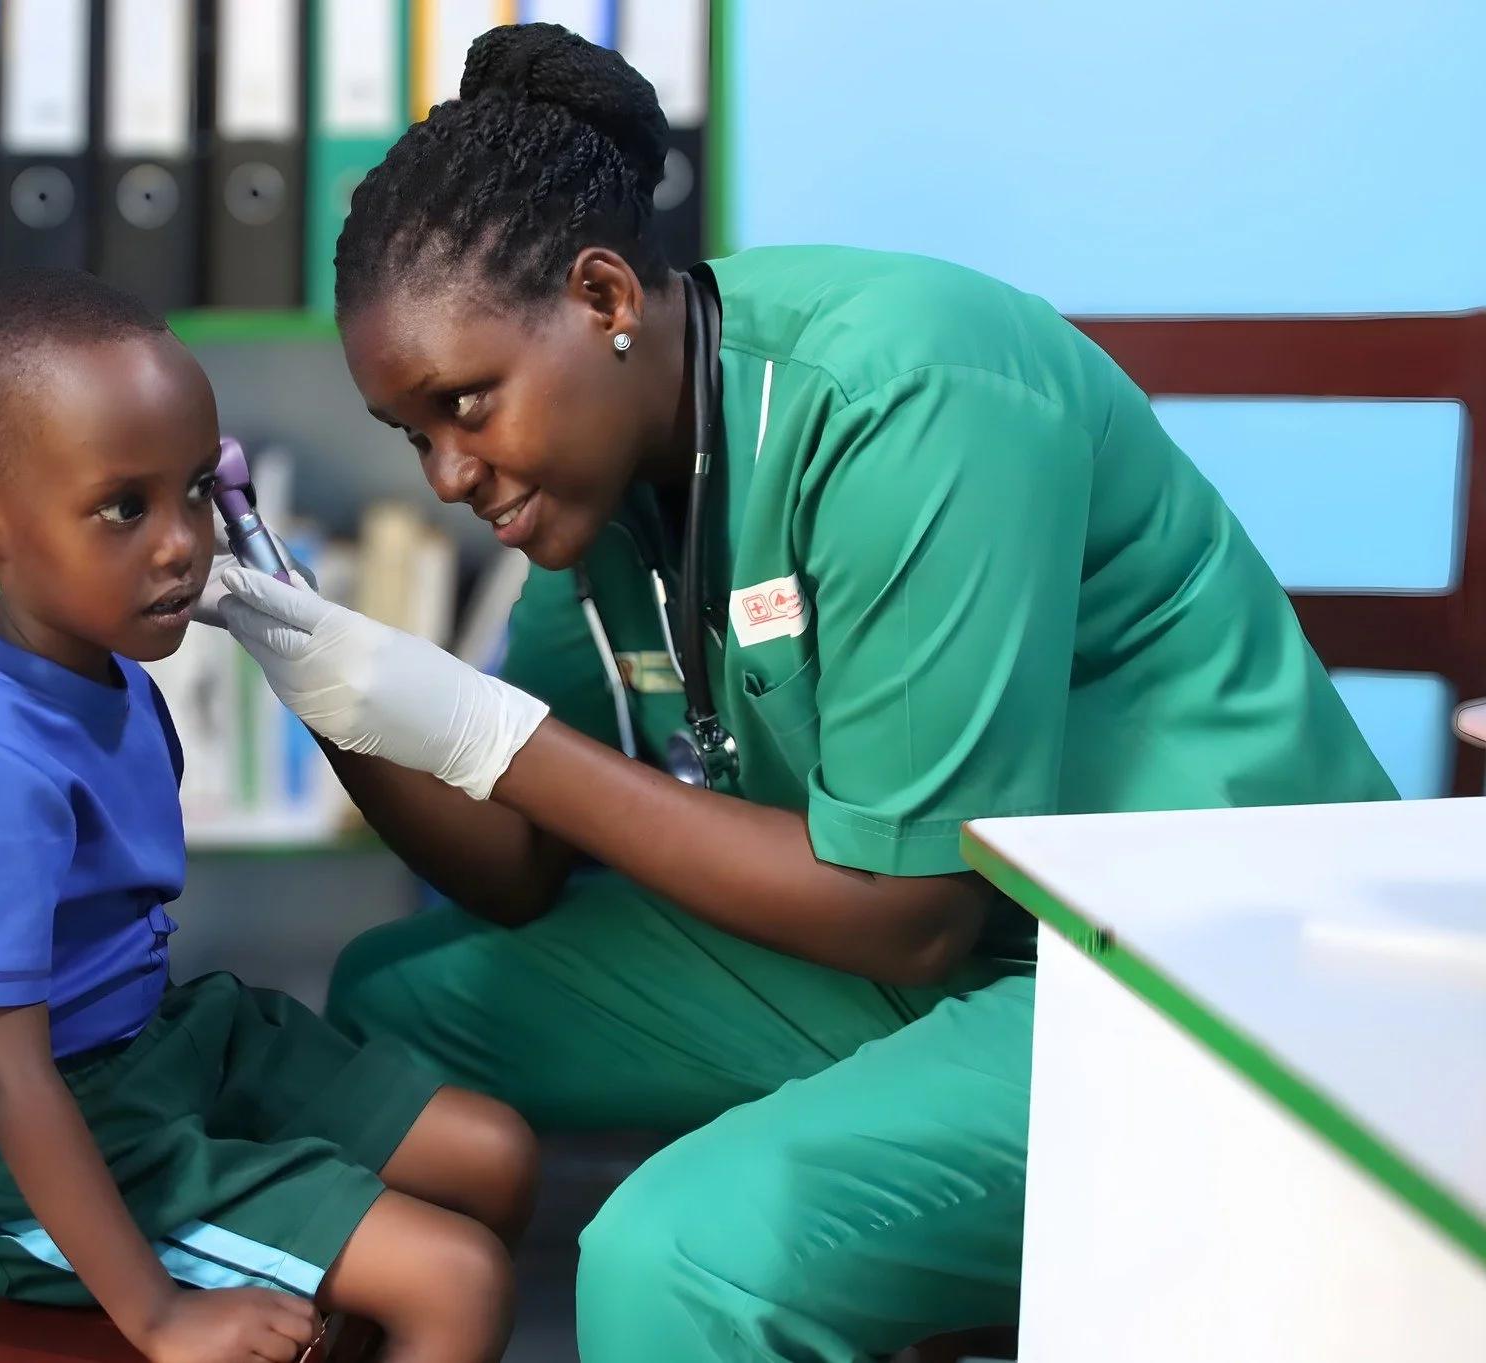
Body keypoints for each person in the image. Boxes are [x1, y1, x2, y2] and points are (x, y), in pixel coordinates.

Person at [212, 23, 1400, 1363]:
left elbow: (905, 913)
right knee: (402, 1012)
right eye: (411, 434)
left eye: (467, 403)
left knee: (679, 1259)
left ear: (603, 298)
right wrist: (318, 667)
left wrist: (495, 732)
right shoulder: (602, 469)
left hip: (1186, 979)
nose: (446, 473)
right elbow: (519, 870)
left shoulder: (908, 393)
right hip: (936, 950)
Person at [0, 267, 536, 1363]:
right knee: (457, 1279)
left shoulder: (113, 673)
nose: (178, 543)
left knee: (492, 1153)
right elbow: (8, 1074)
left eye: (192, 494)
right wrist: (159, 1313)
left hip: (141, 1046)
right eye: (124, 506)